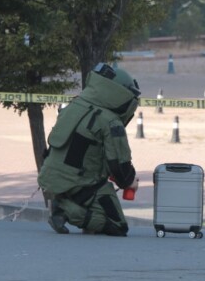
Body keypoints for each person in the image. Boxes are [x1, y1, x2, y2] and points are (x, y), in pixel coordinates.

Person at [37, 63, 141, 236]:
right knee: (117, 226)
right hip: (82, 185)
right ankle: (64, 210)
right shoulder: (110, 121)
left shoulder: (74, 106)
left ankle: (65, 205)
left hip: (53, 178)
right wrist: (130, 181)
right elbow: (120, 165)